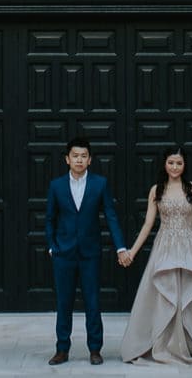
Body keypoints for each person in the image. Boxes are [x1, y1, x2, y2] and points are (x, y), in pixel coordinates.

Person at [117, 147, 192, 365]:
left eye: (179, 163)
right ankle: (162, 344)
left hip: (187, 246)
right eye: (171, 162)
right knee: (164, 295)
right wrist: (132, 252)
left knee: (188, 296)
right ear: (165, 164)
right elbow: (148, 224)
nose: (174, 167)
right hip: (164, 246)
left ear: (185, 166)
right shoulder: (157, 190)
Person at [47, 136, 127, 366]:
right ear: (67, 159)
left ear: (90, 160)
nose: (79, 160)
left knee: (93, 301)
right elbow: (50, 218)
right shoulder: (57, 185)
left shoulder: (99, 184)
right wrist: (53, 247)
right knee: (64, 303)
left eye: (83, 156)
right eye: (75, 156)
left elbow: (110, 216)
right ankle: (62, 349)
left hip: (90, 253)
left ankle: (95, 349)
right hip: (64, 253)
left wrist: (120, 246)